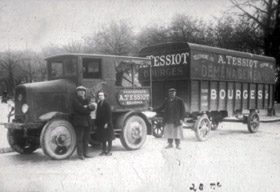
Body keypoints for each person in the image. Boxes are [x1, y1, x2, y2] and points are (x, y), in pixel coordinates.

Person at [72, 86, 95, 160]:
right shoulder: (75, 100)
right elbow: (80, 109)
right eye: (80, 91)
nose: (82, 92)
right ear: (77, 92)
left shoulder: (86, 100)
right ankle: (80, 154)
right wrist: (87, 108)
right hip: (79, 122)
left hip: (87, 122)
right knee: (80, 139)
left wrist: (86, 107)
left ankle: (85, 153)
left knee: (86, 138)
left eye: (83, 91)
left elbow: (91, 108)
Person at [95, 90, 115, 156]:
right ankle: (103, 151)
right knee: (103, 138)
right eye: (99, 95)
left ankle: (109, 151)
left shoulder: (106, 104)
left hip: (107, 124)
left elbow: (109, 114)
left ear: (104, 96)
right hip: (101, 123)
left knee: (109, 138)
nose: (100, 96)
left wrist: (107, 123)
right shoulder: (99, 103)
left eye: (102, 95)